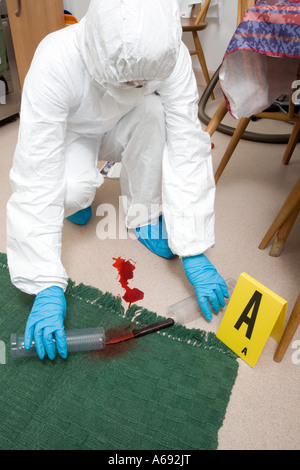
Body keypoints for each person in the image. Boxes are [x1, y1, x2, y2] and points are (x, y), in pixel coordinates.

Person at [6, 0, 228, 360]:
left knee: (156, 112)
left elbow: (187, 146)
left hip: (123, 123)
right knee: (74, 190)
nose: (139, 83)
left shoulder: (169, 55)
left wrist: (193, 245)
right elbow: (36, 170)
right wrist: (44, 281)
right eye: (129, 78)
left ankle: (143, 215)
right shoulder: (55, 59)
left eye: (144, 79)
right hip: (73, 133)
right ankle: (80, 197)